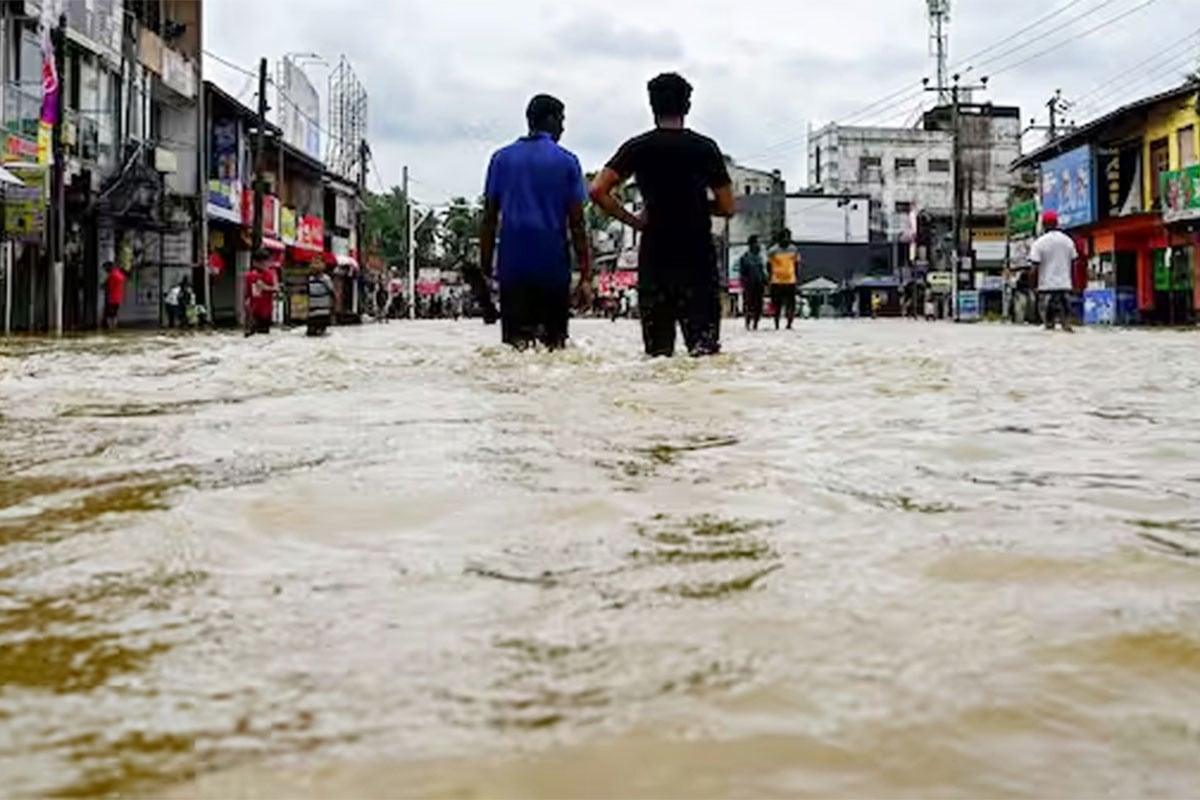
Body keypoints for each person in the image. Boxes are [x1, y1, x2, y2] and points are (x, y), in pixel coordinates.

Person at [590, 73, 735, 357]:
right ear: (688, 106)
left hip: (656, 260)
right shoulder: (705, 148)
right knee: (704, 355)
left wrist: (635, 221)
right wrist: (695, 205)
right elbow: (728, 207)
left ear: (652, 106)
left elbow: (598, 190)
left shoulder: (639, 147)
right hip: (697, 263)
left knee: (658, 357)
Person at [479, 94, 592, 351]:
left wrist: (485, 272)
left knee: (516, 349)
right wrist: (585, 276)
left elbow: (488, 220)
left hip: (513, 269)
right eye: (561, 120)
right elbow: (577, 224)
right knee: (554, 350)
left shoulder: (501, 159)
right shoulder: (567, 161)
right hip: (553, 269)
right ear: (550, 119)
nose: (563, 127)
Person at [1029, 210, 1077, 332]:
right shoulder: (1068, 241)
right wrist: (1074, 284)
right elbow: (1074, 265)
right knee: (1067, 325)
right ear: (1057, 224)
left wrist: (1032, 286)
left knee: (1048, 327)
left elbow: (1034, 268)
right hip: (1064, 287)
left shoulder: (1039, 243)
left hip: (1046, 289)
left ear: (1043, 225)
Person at [767, 229, 800, 330]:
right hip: (776, 281)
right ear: (779, 238)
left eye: (788, 237)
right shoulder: (772, 251)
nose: (786, 239)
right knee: (777, 304)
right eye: (784, 237)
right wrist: (770, 278)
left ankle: (789, 323)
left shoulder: (794, 250)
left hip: (790, 281)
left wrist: (796, 277)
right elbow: (768, 266)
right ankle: (776, 323)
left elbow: (796, 264)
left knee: (791, 304)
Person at [243, 250, 277, 336]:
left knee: (263, 334)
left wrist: (265, 287)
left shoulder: (271, 274)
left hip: (266, 311)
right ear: (255, 263)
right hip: (253, 311)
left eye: (266, 262)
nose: (265, 264)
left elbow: (276, 288)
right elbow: (247, 293)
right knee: (251, 335)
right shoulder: (249, 276)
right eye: (261, 262)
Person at [737, 235, 767, 331]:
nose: (758, 245)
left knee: (758, 304)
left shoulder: (761, 257)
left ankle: (756, 323)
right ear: (751, 244)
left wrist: (765, 280)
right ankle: (748, 322)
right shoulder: (745, 257)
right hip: (749, 284)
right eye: (756, 243)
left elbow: (764, 270)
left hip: (760, 284)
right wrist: (744, 283)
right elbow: (742, 272)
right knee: (749, 304)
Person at [306, 259, 334, 337]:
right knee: (312, 333)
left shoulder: (326, 279)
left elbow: (331, 290)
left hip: (323, 310)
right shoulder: (310, 278)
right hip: (313, 310)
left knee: (319, 332)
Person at [102, 262, 126, 330]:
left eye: (105, 268)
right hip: (119, 297)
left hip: (112, 297)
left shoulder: (112, 275)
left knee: (110, 313)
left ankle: (110, 327)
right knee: (114, 312)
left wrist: (104, 285)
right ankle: (114, 326)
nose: (105, 270)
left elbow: (109, 287)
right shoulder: (119, 274)